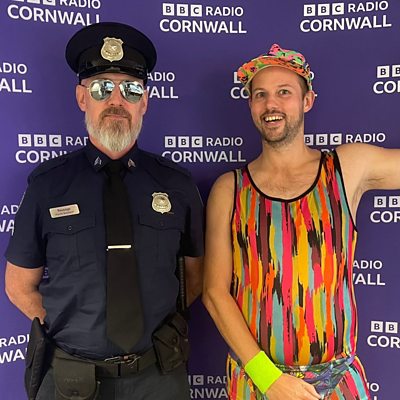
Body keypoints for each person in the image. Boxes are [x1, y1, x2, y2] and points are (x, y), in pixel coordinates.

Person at [5, 22, 204, 400]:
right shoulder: (48, 185)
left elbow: (194, 278)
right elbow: (18, 285)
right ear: (82, 98)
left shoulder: (176, 185)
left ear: (144, 102)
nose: (116, 100)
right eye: (101, 88)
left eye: (131, 89)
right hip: (70, 379)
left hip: (158, 377)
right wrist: (73, 328)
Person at [202, 43, 400, 400]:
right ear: (250, 105)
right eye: (260, 95)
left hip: (338, 381)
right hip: (257, 383)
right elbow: (215, 293)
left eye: (284, 92)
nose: (271, 104)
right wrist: (270, 380)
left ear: (307, 100)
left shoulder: (347, 168)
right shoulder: (230, 189)